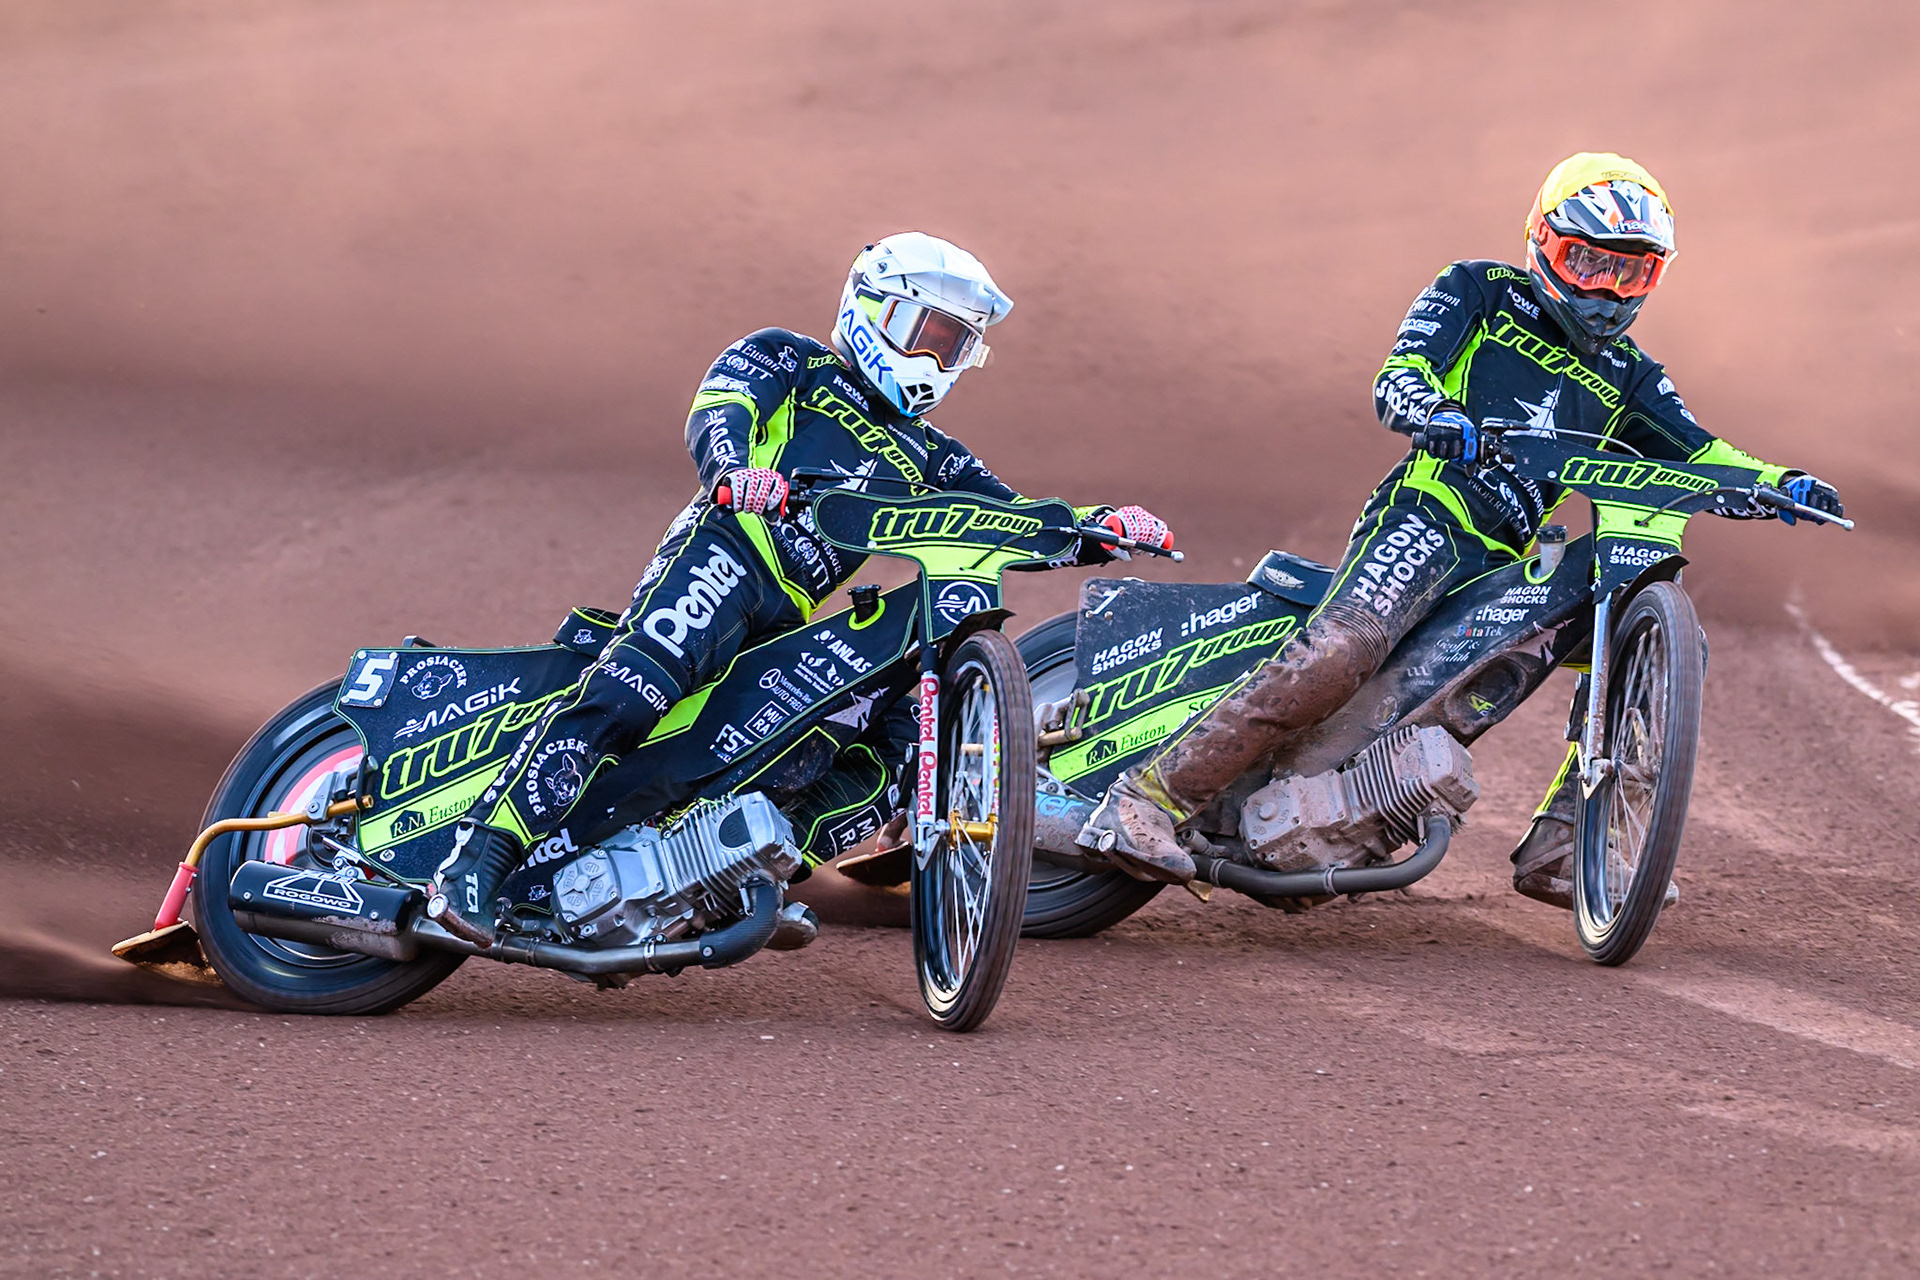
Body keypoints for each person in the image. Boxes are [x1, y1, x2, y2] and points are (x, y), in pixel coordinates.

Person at [1080, 153, 1843, 906]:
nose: (1608, 292)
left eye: (1633, 274)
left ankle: (1566, 840)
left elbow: (1702, 452)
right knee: (1343, 649)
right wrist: (1435, 412)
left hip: (1509, 564)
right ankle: (1146, 800)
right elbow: (1400, 373)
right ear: (1543, 242)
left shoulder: (1632, 376)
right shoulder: (1479, 291)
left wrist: (1779, 483)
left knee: (1667, 648)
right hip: (1430, 513)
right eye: (1588, 262)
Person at [431, 232, 1174, 923]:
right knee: (628, 697)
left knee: (841, 756)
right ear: (874, 310)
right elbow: (720, 409)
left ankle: (732, 870)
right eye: (929, 334)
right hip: (725, 554)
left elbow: (1008, 517)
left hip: (786, 618)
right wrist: (736, 473)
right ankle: (474, 862)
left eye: (956, 347)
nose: (937, 360)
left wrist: (1100, 526)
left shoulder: (933, 455)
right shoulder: (790, 360)